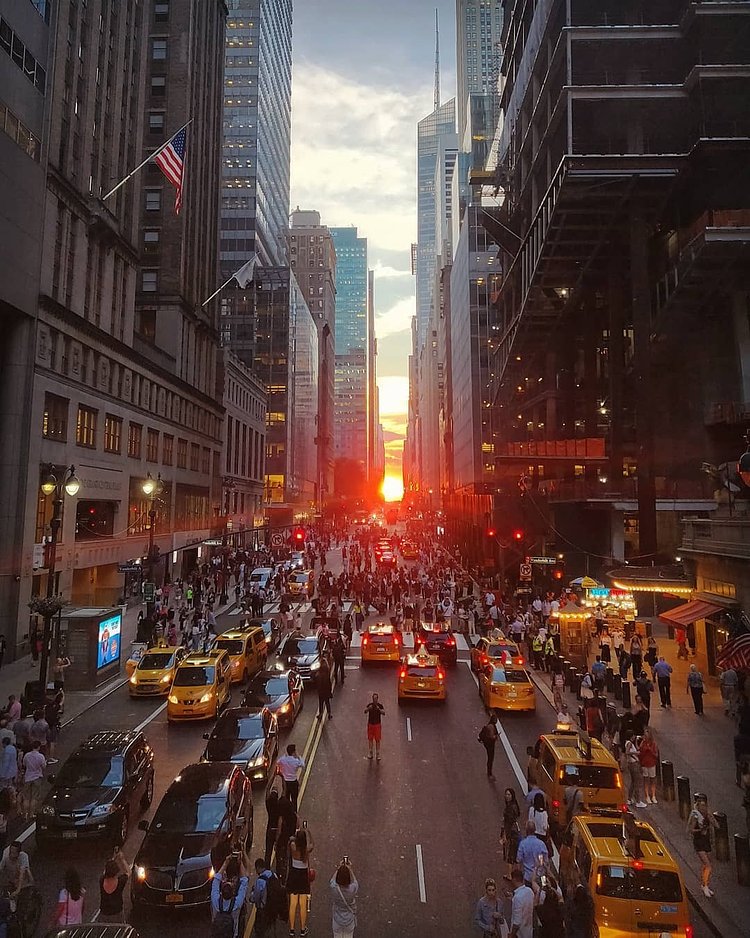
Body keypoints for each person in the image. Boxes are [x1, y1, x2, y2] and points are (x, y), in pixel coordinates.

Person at [210, 854, 249, 938]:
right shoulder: (237, 904)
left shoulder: (215, 901)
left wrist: (226, 862)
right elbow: (245, 881)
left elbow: (216, 880)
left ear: (221, 893)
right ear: (232, 893)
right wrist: (240, 862)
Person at [687, 796, 719, 897]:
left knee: (706, 864)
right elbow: (690, 830)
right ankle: (705, 886)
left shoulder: (707, 815)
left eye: (705, 806)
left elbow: (717, 825)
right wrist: (701, 830)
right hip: (699, 842)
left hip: (707, 841)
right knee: (708, 865)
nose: (703, 808)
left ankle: (704, 883)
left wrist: (712, 819)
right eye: (701, 806)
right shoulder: (695, 816)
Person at [287, 826, 313, 938]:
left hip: (294, 876)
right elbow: (312, 843)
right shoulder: (306, 849)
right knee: (303, 904)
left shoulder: (293, 847)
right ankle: (303, 929)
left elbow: (291, 839)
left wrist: (296, 832)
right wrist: (307, 832)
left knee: (293, 904)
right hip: (303, 877)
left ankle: (292, 929)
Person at [98, 848, 129, 923]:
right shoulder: (120, 881)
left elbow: (105, 870)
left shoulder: (102, 880)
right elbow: (128, 871)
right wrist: (122, 859)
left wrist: (113, 858)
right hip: (117, 913)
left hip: (104, 914)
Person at [330, 858, 358, 938]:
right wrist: (350, 869)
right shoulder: (352, 889)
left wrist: (339, 868)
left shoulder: (334, 888)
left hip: (337, 919)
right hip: (349, 920)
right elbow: (355, 882)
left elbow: (332, 881)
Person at [515, 820, 548, 887]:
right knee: (544, 894)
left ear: (526, 830)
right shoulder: (541, 844)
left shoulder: (523, 844)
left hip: (528, 876)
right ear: (535, 830)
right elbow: (546, 861)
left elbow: (518, 860)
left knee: (529, 895)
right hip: (541, 876)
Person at [21, 740, 46, 820]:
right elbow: (43, 766)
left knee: (26, 797)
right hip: (37, 777)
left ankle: (25, 814)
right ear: (38, 747)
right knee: (34, 797)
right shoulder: (41, 756)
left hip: (28, 777)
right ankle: (31, 814)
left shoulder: (27, 755)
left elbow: (24, 764)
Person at [276, 744, 305, 811]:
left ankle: (287, 812)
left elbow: (278, 762)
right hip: (293, 782)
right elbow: (303, 765)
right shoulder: (296, 761)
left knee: (286, 799)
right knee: (294, 799)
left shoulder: (283, 759)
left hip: (286, 783)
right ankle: (294, 813)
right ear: (293, 752)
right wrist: (299, 757)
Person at [500, 788, 521, 873]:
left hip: (511, 832)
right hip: (514, 830)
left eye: (509, 794)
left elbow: (508, 822)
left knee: (511, 851)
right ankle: (517, 870)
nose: (507, 796)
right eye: (506, 794)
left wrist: (504, 834)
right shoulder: (513, 806)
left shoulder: (510, 808)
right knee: (514, 850)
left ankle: (509, 874)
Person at [509, 868, 534, 938]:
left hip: (520, 934)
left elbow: (517, 922)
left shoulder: (517, 898)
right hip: (529, 931)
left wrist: (512, 935)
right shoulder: (529, 891)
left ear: (514, 880)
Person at [624, 733, 647, 808]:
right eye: (633, 735)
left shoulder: (628, 743)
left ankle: (629, 799)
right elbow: (627, 752)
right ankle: (638, 801)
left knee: (633, 782)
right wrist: (636, 753)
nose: (634, 737)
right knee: (637, 782)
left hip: (631, 764)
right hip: (634, 765)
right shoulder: (629, 743)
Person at [639, 727, 659, 804]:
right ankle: (647, 796)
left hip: (651, 763)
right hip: (645, 764)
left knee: (652, 779)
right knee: (646, 780)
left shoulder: (653, 744)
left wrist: (650, 750)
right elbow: (640, 754)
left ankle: (653, 795)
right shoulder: (642, 743)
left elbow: (656, 754)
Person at [364, 693, 385, 761]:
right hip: (370, 724)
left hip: (377, 725)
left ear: (377, 699)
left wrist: (379, 709)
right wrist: (368, 709)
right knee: (370, 739)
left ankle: (378, 753)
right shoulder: (370, 705)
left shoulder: (380, 706)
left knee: (377, 739)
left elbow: (383, 713)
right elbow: (365, 711)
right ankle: (370, 752)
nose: (374, 700)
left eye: (376, 698)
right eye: (374, 698)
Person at [478, 714, 499, 780]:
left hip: (487, 744)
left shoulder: (488, 726)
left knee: (490, 758)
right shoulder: (492, 727)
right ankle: (489, 773)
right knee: (490, 758)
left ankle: (489, 772)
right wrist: (494, 737)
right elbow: (492, 736)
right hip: (490, 745)